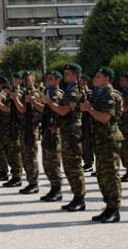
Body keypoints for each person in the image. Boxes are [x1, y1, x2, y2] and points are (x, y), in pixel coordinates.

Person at [81, 67, 124, 223]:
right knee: (102, 174)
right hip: (99, 139)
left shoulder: (112, 96)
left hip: (109, 139)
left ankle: (115, 209)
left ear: (106, 79)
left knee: (111, 174)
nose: (95, 78)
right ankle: (108, 206)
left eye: (98, 76)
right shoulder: (98, 94)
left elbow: (105, 118)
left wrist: (89, 109)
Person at [43, 63, 86, 212]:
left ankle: (80, 198)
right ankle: (76, 197)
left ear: (75, 75)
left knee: (74, 166)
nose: (65, 75)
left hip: (73, 134)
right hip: (67, 132)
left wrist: (49, 102)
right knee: (68, 166)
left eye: (68, 73)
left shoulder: (75, 91)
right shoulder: (68, 90)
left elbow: (63, 110)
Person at [35, 70, 64, 202]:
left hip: (54, 131)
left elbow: (58, 111)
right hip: (47, 129)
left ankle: (57, 189)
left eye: (51, 79)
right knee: (47, 162)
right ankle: (53, 187)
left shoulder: (58, 94)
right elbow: (45, 110)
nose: (48, 81)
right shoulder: (48, 93)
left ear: (58, 80)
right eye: (48, 79)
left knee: (53, 162)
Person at [15, 71, 42, 195]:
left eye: (28, 78)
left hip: (31, 128)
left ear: (34, 79)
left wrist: (15, 98)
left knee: (31, 157)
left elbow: (22, 109)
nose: (26, 80)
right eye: (24, 78)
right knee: (25, 156)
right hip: (24, 127)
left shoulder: (34, 93)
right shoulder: (26, 93)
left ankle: (34, 183)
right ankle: (30, 182)